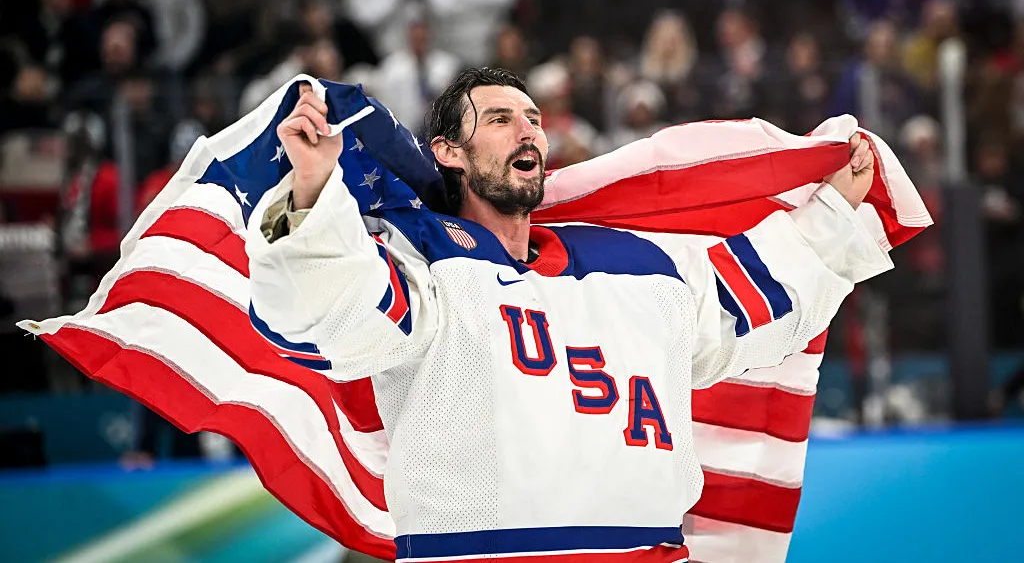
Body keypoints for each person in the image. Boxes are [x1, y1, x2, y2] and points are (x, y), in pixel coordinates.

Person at [246, 67, 890, 560]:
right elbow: (342, 310)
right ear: (448, 152)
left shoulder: (637, 265)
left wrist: (832, 216)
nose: (527, 129)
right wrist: (309, 195)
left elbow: (741, 307)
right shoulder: (422, 264)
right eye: (499, 119)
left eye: (532, 117)